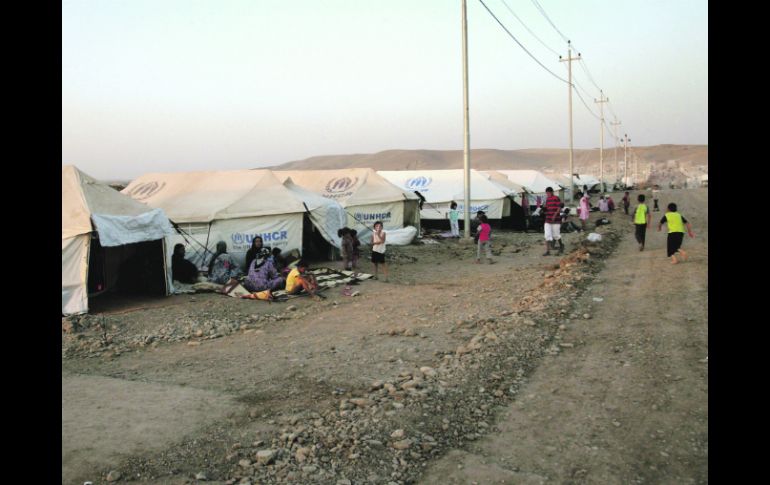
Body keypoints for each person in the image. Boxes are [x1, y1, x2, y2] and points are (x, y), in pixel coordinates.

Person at [542, 186, 564, 256]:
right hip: (548, 219)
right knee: (547, 235)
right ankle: (547, 251)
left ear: (551, 192)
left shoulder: (556, 198)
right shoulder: (547, 199)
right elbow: (547, 208)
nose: (547, 194)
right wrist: (544, 210)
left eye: (548, 193)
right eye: (547, 193)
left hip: (556, 220)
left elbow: (559, 207)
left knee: (556, 235)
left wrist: (554, 215)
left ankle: (561, 245)